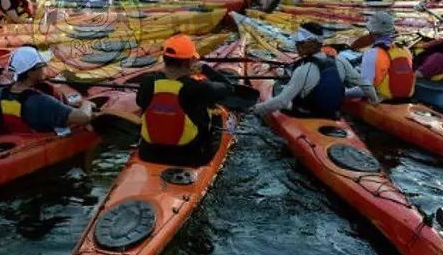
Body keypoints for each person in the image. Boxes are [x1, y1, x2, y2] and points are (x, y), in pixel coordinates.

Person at [136, 34, 232, 166]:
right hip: (190, 157)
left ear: (164, 58)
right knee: (217, 112)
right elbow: (229, 88)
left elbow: (140, 103)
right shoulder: (198, 87)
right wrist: (206, 69)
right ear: (188, 62)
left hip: (148, 153)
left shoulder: (147, 82)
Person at [249, 23, 377, 118]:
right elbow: (365, 84)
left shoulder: (303, 70)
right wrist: (374, 102)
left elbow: (282, 101)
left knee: (278, 91)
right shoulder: (340, 61)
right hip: (333, 115)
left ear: (312, 43)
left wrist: (256, 110)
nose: (296, 45)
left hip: (307, 115)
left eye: (300, 42)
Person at [0, 47, 96, 134]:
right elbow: (83, 117)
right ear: (30, 72)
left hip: (20, 135)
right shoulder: (41, 101)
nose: (45, 67)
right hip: (41, 139)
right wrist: (86, 103)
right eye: (42, 65)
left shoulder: (0, 93)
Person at [358, 11, 416, 102]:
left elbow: (364, 89)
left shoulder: (371, 53)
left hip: (382, 101)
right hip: (406, 100)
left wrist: (344, 92)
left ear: (372, 32)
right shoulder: (405, 50)